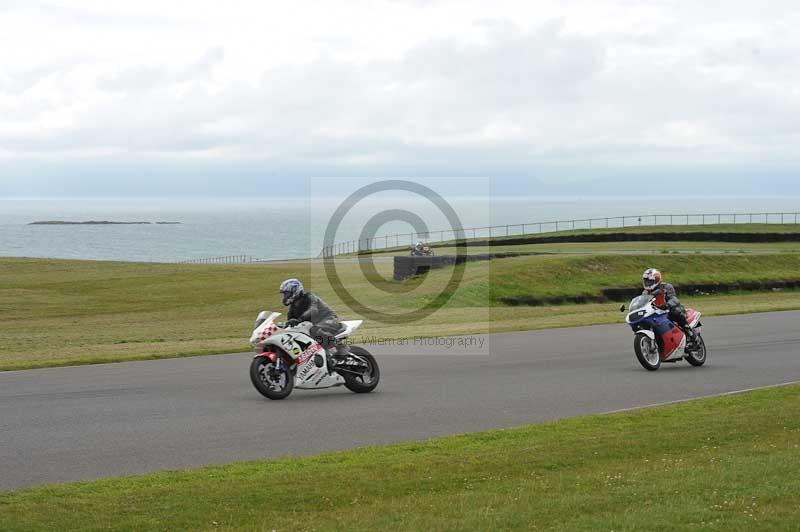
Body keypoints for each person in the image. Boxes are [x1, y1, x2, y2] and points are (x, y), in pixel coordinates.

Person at [279, 278, 345, 366]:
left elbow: (313, 310)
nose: (285, 297)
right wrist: (284, 326)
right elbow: (291, 326)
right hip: (315, 325)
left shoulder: (309, 297)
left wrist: (299, 319)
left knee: (314, 330)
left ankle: (340, 346)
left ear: (295, 291)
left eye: (286, 293)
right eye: (284, 294)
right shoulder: (292, 308)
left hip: (329, 319)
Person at [642, 268, 697, 342]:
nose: (647, 283)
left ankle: (688, 330)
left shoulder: (666, 287)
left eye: (649, 281)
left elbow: (673, 298)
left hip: (669, 309)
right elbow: (642, 302)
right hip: (656, 312)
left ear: (656, 280)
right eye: (646, 281)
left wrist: (668, 304)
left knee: (675, 311)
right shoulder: (645, 293)